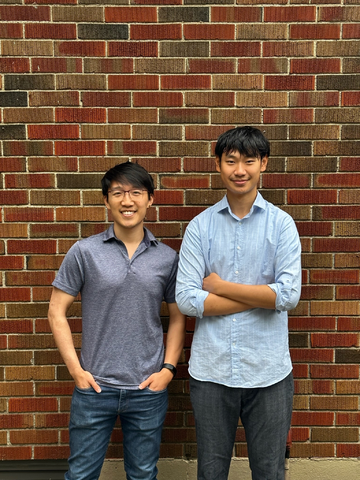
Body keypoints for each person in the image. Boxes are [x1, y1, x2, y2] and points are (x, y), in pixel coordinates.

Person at [176, 126, 301, 480]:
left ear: (264, 163)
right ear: (218, 165)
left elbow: (288, 296)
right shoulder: (200, 227)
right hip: (212, 372)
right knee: (211, 472)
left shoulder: (282, 225)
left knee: (270, 471)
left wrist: (220, 287)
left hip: (270, 373)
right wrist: (262, 296)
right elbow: (186, 298)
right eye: (231, 161)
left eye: (249, 160)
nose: (240, 170)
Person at [48, 161, 185, 480]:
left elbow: (178, 318)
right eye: (118, 193)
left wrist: (168, 370)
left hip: (147, 388)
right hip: (94, 387)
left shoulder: (166, 258)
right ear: (106, 200)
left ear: (150, 199)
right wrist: (76, 371)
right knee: (81, 474)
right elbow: (56, 311)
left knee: (142, 474)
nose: (128, 201)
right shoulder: (84, 252)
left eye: (137, 192)